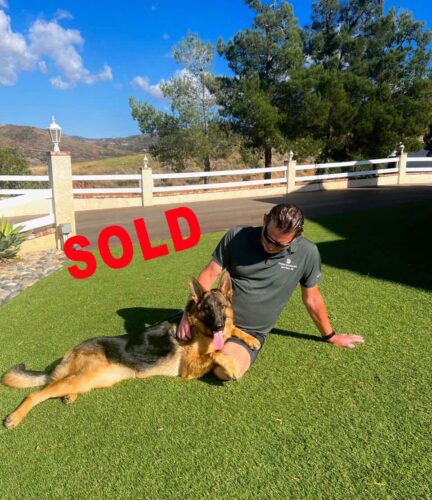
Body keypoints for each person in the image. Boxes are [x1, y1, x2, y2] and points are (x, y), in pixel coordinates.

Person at [177, 203, 364, 380]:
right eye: (268, 238)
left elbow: (312, 298)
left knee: (226, 370)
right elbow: (209, 275)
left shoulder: (307, 253)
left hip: (249, 331)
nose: (271, 246)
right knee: (174, 343)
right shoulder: (236, 236)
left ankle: (208, 353)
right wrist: (188, 313)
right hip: (211, 319)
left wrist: (331, 336)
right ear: (265, 220)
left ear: (296, 237)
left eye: (281, 245)